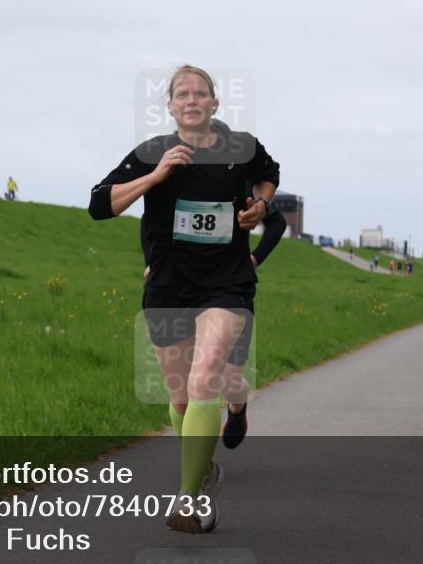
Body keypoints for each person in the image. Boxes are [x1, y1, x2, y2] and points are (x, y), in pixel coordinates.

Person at [89, 65, 280, 534]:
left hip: (226, 282)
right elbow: (99, 204)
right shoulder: (151, 152)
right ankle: (202, 467)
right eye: (181, 94)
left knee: (205, 377)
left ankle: (189, 498)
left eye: (199, 93)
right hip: (170, 285)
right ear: (171, 107)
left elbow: (269, 176)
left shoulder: (243, 147)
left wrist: (260, 206)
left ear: (215, 103)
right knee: (178, 398)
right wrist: (156, 176)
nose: (191, 100)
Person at [140, 187, 286, 451]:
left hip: (228, 291)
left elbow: (277, 223)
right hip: (179, 290)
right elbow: (149, 218)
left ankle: (237, 407)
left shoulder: (241, 181)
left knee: (229, 381)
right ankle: (199, 464)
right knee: (185, 386)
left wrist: (254, 258)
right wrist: (151, 261)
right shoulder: (180, 179)